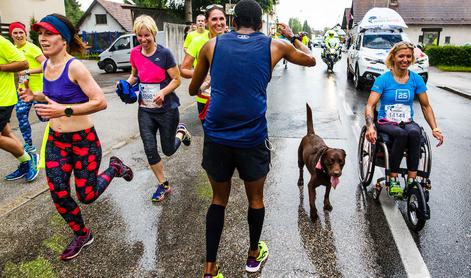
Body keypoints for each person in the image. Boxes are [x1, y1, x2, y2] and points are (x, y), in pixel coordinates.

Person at [189, 0, 316, 276]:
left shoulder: (212, 46)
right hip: (252, 138)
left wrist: (214, 81)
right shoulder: (275, 45)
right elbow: (311, 59)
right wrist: (292, 35)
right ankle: (252, 257)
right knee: (255, 199)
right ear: (260, 24)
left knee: (218, 200)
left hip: (217, 136)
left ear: (233, 22)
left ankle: (209, 269)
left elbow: (191, 89)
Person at [20, 13, 134, 261]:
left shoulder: (76, 67)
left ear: (64, 39)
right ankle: (82, 234)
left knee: (87, 195)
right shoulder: (45, 65)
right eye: (40, 34)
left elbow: (100, 102)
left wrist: (64, 110)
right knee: (58, 192)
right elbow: (54, 97)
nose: (42, 39)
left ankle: (115, 168)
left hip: (84, 141)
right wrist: (35, 96)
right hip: (56, 141)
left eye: (49, 34)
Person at [125, 15, 191, 202]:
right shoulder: (135, 53)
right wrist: (125, 84)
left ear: (154, 34)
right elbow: (135, 76)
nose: (143, 40)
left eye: (147, 35)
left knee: (168, 149)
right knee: (149, 148)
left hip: (167, 110)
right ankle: (164, 185)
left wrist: (163, 92)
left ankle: (181, 132)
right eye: (139, 36)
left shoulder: (165, 54)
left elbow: (177, 79)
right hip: (145, 109)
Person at [365, 41, 444, 198]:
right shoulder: (383, 79)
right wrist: (370, 127)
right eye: (401, 56)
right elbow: (370, 105)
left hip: (407, 121)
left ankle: (411, 181)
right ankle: (393, 178)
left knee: (415, 133)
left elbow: (426, 106)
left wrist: (435, 128)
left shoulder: (416, 80)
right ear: (393, 57)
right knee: (401, 134)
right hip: (386, 122)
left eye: (409, 56)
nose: (405, 60)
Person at [1, 34, 39, 182]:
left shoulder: (1, 42)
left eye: (20, 32)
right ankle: (26, 161)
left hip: (3, 98)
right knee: (6, 132)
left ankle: (29, 159)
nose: (18, 35)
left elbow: (24, 64)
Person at [180, 4, 226, 122]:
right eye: (214, 19)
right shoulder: (197, 41)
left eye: (221, 19)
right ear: (206, 22)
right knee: (210, 136)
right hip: (205, 98)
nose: (219, 23)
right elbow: (184, 70)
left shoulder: (233, 41)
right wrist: (201, 74)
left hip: (227, 98)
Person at [9, 21, 46, 153]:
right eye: (15, 33)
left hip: (39, 90)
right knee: (21, 115)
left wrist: (27, 71)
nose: (19, 35)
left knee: (44, 117)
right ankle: (29, 145)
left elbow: (46, 66)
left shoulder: (32, 48)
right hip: (23, 90)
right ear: (11, 35)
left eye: (21, 32)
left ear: (25, 34)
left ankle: (61, 134)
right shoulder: (12, 50)